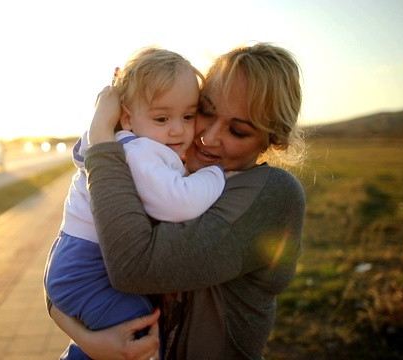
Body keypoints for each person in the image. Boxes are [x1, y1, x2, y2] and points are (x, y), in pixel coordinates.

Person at [49, 42, 307, 360]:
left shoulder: (272, 195)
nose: (208, 137)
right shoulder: (169, 167)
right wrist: (87, 340)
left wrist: (102, 136)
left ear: (273, 139)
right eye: (205, 113)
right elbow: (67, 277)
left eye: (238, 131)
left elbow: (132, 267)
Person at [44, 46, 227, 359]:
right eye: (162, 117)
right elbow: (177, 202)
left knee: (121, 335)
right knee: (136, 337)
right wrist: (217, 175)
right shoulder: (141, 151)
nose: (177, 129)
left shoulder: (120, 141)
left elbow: (81, 151)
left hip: (73, 261)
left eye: (188, 116)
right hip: (87, 267)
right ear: (127, 118)